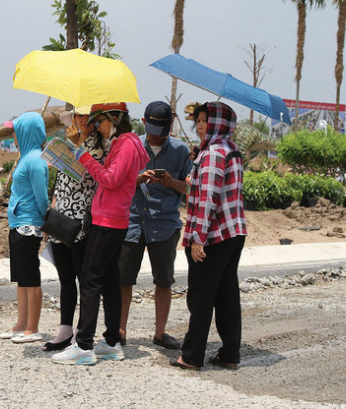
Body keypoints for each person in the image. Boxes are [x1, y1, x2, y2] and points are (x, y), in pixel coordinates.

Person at [52, 102, 149, 365]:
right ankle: (111, 342)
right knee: (108, 281)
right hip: (109, 218)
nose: (98, 128)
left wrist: (81, 156)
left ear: (115, 119)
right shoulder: (123, 143)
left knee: (90, 281)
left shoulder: (127, 143)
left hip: (109, 220)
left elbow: (110, 179)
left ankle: (84, 346)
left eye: (100, 122)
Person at [171, 101, 247, 371]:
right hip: (233, 231)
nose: (201, 125)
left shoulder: (214, 153)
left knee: (201, 295)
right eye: (199, 120)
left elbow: (208, 199)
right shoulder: (229, 150)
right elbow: (211, 187)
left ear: (219, 123)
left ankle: (191, 356)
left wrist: (198, 238)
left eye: (207, 120)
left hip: (214, 233)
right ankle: (229, 354)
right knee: (226, 295)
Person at [118, 101, 192, 349]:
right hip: (132, 222)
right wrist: (137, 179)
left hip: (164, 224)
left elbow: (190, 189)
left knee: (164, 281)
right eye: (151, 131)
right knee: (123, 279)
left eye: (160, 132)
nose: (155, 137)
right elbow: (116, 182)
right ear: (143, 123)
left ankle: (160, 333)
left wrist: (171, 182)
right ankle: (120, 331)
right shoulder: (131, 146)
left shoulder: (181, 151)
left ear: (170, 127)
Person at [43, 105, 106, 352]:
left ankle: (82, 330)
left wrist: (73, 149)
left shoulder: (97, 149)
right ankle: (65, 328)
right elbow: (61, 180)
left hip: (80, 221)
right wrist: (52, 213)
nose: (79, 121)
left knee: (83, 278)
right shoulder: (68, 143)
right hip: (61, 218)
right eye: (77, 116)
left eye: (83, 116)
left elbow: (81, 173)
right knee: (65, 278)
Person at [0, 111, 49, 344]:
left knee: (30, 277)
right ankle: (21, 324)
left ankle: (33, 327)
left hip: (29, 225)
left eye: (16, 131)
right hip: (18, 224)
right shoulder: (26, 157)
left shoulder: (35, 160)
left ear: (27, 133)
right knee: (21, 278)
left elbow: (42, 198)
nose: (13, 136)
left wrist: (46, 222)